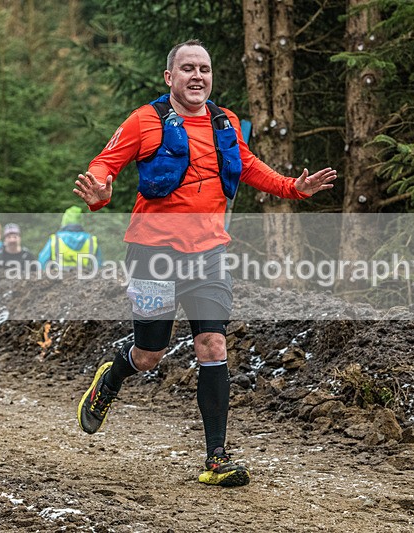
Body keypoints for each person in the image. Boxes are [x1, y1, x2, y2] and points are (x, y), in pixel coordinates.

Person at [72, 40, 336, 488]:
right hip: (152, 254)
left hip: (209, 255)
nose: (198, 76)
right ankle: (114, 374)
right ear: (169, 77)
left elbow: (249, 167)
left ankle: (216, 457)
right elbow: (106, 161)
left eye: (205, 69)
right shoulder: (145, 120)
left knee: (212, 344)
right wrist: (100, 189)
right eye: (188, 68)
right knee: (151, 354)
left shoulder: (224, 121)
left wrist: (294, 187)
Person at [37, 206, 101, 269]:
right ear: (81, 221)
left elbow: (42, 261)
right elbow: (99, 266)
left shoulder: (55, 239)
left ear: (64, 220)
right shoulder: (91, 240)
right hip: (84, 277)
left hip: (57, 277)